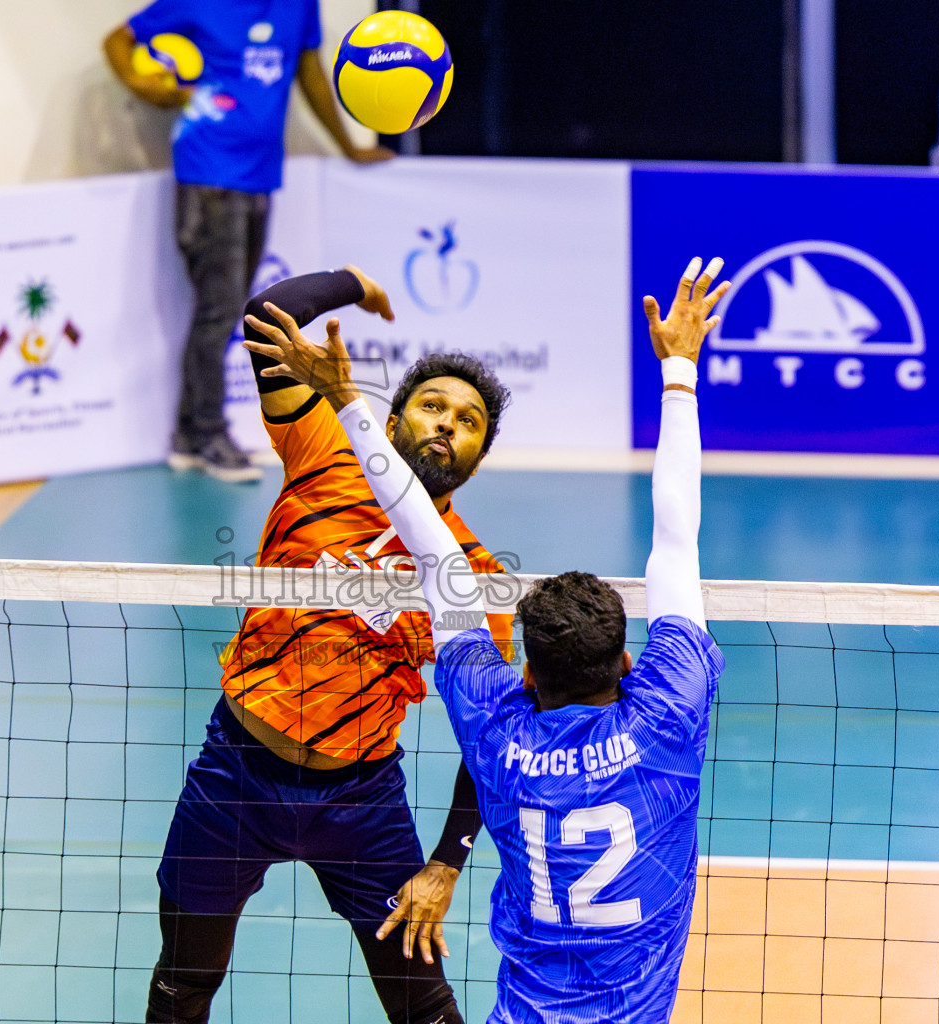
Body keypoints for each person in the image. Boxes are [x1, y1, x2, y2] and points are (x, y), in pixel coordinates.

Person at [245, 256, 730, 1022]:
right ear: (629, 663)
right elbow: (678, 538)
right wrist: (679, 372)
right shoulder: (667, 714)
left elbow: (426, 544)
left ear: (526, 676)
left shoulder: (498, 731)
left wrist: (349, 401)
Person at [147, 265, 512, 1024]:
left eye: (468, 420)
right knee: (182, 989)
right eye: (431, 406)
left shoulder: (474, 577)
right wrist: (354, 283)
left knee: (424, 1005)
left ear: (478, 459)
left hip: (362, 801)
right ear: (393, 419)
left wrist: (446, 864)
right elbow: (264, 315)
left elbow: (494, 738)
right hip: (236, 777)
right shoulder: (321, 452)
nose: (446, 423)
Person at [103, 0, 392, 483]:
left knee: (228, 307)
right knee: (219, 311)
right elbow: (118, 39)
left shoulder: (300, 6)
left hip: (260, 176)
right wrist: (141, 85)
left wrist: (348, 147)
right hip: (208, 174)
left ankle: (189, 434)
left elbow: (311, 74)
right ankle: (207, 434)